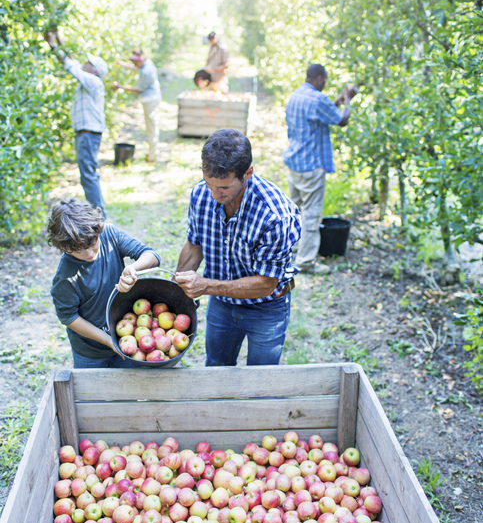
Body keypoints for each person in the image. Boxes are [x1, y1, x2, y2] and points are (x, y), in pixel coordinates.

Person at [175, 128, 301, 367]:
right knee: (216, 369)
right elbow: (194, 244)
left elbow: (266, 283)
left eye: (223, 188)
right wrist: (175, 291)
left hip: (267, 308)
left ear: (248, 172)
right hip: (221, 303)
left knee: (260, 380)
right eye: (208, 183)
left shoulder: (274, 214)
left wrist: (206, 285)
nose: (213, 194)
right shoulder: (201, 194)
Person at [48, 196, 160, 368]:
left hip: (127, 335)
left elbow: (151, 255)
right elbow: (70, 318)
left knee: (127, 392)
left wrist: (134, 269)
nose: (88, 253)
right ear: (64, 248)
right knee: (91, 394)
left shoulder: (110, 235)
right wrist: (109, 341)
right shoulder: (65, 277)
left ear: (98, 230)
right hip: (90, 351)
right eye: (78, 250)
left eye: (93, 243)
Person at [283, 63, 357, 274]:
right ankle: (305, 262)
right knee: (311, 215)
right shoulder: (317, 99)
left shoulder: (296, 95)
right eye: (324, 80)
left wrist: (339, 100)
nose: (324, 84)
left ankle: (292, 249)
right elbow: (342, 120)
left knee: (294, 211)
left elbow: (323, 112)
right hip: (311, 166)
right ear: (319, 79)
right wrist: (349, 99)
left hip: (295, 162)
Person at [44, 30, 108, 218]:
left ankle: (99, 215)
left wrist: (53, 45)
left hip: (88, 133)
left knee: (88, 175)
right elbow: (71, 60)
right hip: (86, 133)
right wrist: (59, 39)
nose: (84, 63)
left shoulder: (93, 81)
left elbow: (71, 67)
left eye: (89, 62)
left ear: (94, 70)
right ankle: (97, 213)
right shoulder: (88, 80)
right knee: (87, 174)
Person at [112, 48, 162, 162]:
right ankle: (152, 152)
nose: (133, 64)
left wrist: (120, 87)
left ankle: (152, 155)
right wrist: (122, 64)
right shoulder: (147, 63)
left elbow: (138, 89)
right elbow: (136, 68)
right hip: (153, 97)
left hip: (150, 100)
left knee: (151, 127)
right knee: (152, 125)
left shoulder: (146, 72)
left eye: (134, 62)